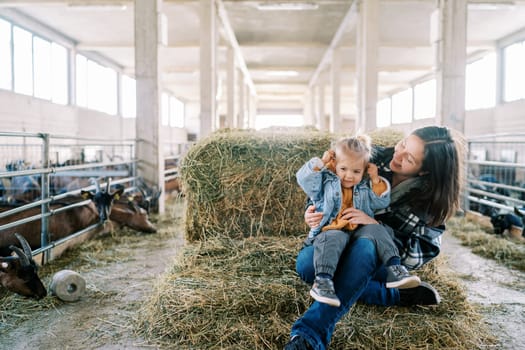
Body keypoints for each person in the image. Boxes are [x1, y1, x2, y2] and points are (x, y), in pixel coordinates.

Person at [285, 126, 464, 350]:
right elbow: (326, 184)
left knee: (364, 249)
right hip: (339, 235)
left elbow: (418, 253)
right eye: (403, 144)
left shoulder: (429, 201)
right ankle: (392, 295)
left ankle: (308, 336)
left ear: (423, 172)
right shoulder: (370, 156)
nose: (397, 155)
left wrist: (374, 225)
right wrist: (311, 210)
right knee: (306, 266)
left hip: (383, 257)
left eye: (408, 158)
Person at [295, 135, 420, 307]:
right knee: (333, 238)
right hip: (333, 229)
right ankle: (323, 282)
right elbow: (304, 180)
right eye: (343, 168)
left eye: (356, 171)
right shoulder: (325, 183)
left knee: (377, 229)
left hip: (359, 233)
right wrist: (321, 162)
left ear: (364, 171)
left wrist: (376, 180)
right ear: (335, 165)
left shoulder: (364, 187)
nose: (349, 176)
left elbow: (380, 202)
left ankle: (395, 269)